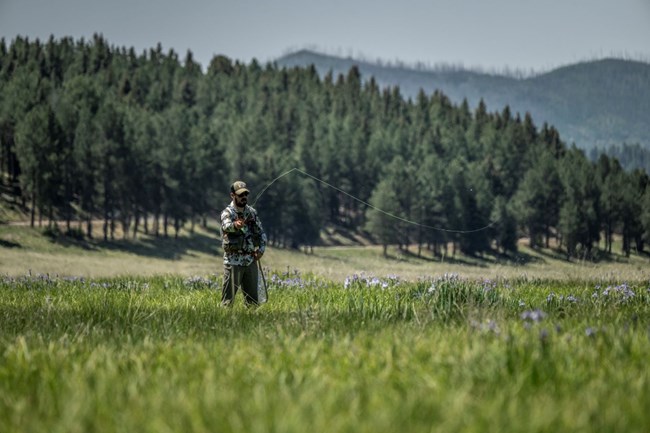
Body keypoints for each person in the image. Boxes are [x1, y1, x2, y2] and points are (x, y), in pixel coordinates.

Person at [220, 180, 267, 306]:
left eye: (245, 194)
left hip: (250, 260)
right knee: (227, 303)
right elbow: (226, 226)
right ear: (232, 195)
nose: (244, 197)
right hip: (233, 262)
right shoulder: (227, 213)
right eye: (240, 195)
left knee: (253, 303)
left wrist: (261, 251)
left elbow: (261, 234)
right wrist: (235, 225)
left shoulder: (252, 212)